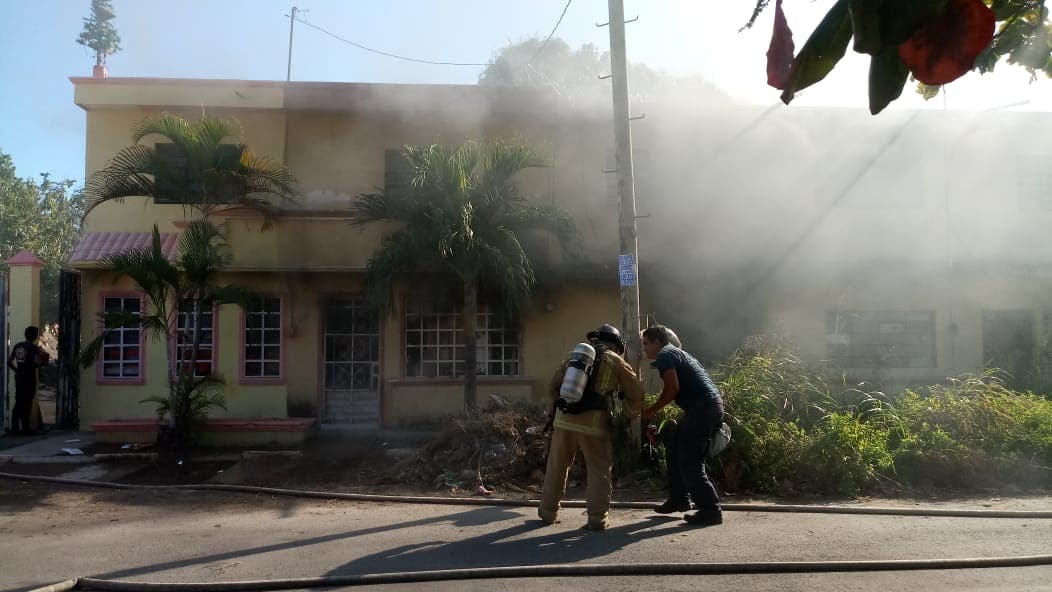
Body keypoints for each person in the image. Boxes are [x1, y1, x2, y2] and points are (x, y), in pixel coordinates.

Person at [539, 324, 644, 531]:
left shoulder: (575, 356)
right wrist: (630, 415)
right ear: (616, 345)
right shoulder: (615, 360)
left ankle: (548, 512)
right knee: (598, 470)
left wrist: (557, 410)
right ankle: (597, 518)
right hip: (594, 424)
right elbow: (636, 391)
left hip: (564, 419)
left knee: (557, 465)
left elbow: (553, 387)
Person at [641, 324, 725, 526]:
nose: (644, 349)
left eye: (646, 344)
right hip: (706, 407)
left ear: (657, 342)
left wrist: (652, 410)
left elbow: (672, 389)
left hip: (703, 409)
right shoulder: (677, 353)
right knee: (674, 448)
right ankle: (679, 499)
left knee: (689, 461)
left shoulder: (665, 355)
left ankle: (711, 510)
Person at [7, 326, 49, 436]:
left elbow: (9, 361)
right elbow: (37, 362)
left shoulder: (17, 346)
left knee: (18, 401)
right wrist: (44, 360)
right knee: (27, 403)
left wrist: (17, 370)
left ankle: (15, 428)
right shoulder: (33, 348)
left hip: (19, 377)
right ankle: (25, 429)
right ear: (35, 336)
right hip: (29, 378)